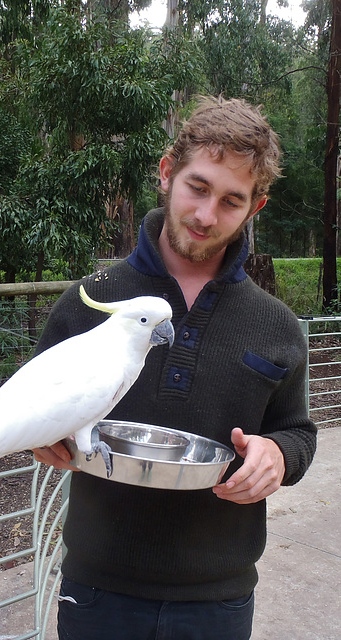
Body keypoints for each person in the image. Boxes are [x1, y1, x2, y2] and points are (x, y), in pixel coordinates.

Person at [33, 95, 317, 640]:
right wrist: (41, 438)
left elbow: (298, 431)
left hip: (218, 600)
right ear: (167, 173)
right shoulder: (90, 300)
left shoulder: (276, 325)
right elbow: (36, 400)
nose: (207, 216)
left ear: (255, 208)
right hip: (97, 591)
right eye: (199, 187)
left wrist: (278, 455)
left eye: (232, 201)